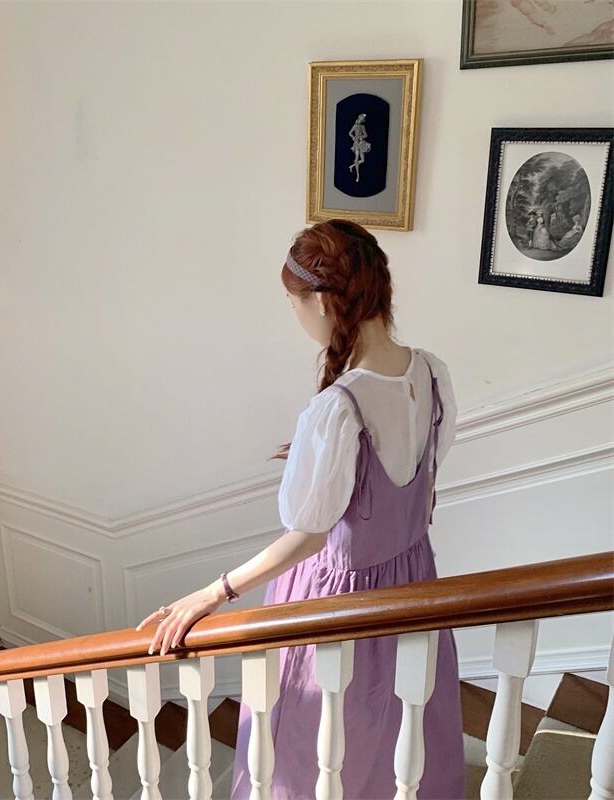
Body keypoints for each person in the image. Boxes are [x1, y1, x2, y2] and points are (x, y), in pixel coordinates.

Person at [136, 219, 465, 798]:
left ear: (321, 301)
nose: (293, 313)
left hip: (339, 599)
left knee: (314, 743)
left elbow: (309, 536)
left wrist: (214, 592)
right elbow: (420, 479)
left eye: (293, 302)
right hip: (413, 583)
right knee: (397, 727)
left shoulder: (338, 408)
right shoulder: (432, 372)